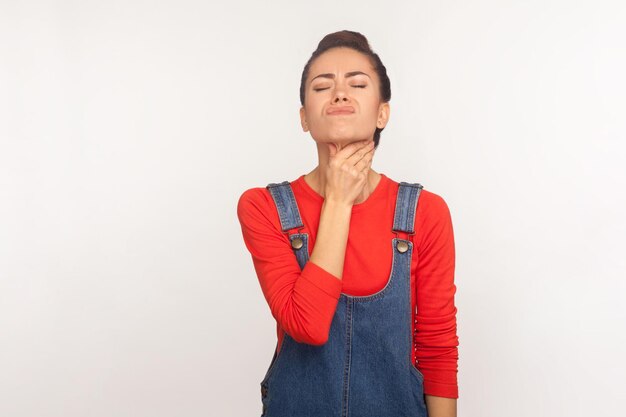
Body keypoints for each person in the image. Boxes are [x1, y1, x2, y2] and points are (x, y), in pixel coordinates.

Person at [237, 30, 459, 417]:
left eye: (357, 83)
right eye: (322, 86)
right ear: (305, 118)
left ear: (382, 113)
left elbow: (437, 345)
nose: (340, 93)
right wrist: (338, 200)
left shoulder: (425, 212)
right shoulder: (263, 207)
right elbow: (308, 325)